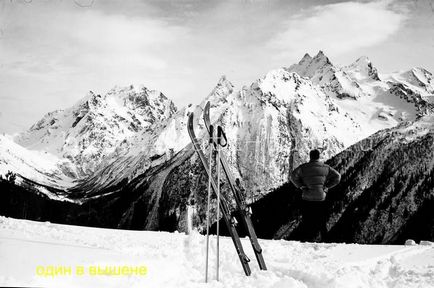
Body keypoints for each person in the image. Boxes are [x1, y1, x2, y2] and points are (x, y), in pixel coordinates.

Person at [290, 149, 341, 242]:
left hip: (307, 197)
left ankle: (305, 240)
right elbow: (338, 177)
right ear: (318, 156)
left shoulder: (303, 168)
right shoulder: (326, 167)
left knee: (307, 220)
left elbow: (293, 176)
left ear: (310, 156)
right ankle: (325, 240)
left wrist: (301, 186)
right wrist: (327, 187)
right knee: (321, 220)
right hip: (321, 197)